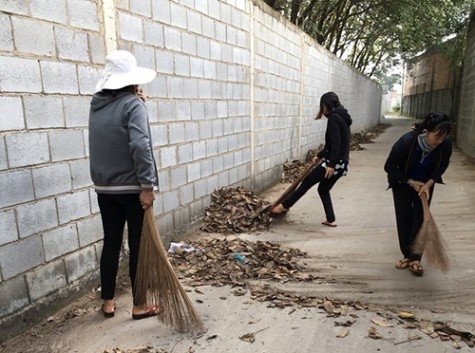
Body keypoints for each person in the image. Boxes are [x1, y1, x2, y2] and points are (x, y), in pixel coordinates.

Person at [89, 50, 159, 319]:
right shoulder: (133, 105)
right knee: (137, 247)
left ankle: (107, 302)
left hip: (104, 189)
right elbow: (140, 145)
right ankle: (139, 305)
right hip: (132, 188)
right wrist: (147, 186)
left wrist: (134, 99)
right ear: (132, 80)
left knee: (111, 242)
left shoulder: (97, 105)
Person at [384, 112, 452, 276]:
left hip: (425, 184)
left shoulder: (444, 145)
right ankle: (407, 255)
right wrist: (411, 182)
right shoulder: (406, 142)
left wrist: (428, 184)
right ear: (427, 131)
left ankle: (416, 258)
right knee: (404, 217)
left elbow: (441, 167)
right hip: (402, 182)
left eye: (444, 137)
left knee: (420, 218)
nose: (439, 141)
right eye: (437, 136)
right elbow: (389, 168)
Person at [271, 92, 352, 227]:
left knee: (306, 182)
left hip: (334, 164)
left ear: (325, 105)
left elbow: (336, 144)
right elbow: (331, 145)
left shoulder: (334, 119)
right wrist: (319, 156)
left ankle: (283, 207)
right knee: (323, 189)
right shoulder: (343, 117)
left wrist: (331, 165)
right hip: (343, 164)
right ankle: (331, 219)